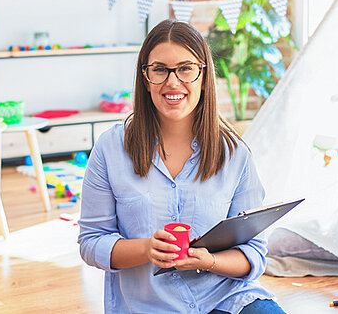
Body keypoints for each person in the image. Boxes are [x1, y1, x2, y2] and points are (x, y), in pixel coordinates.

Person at [78, 19, 285, 314]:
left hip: (227, 300)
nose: (172, 82)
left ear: (203, 75)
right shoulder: (110, 150)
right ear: (146, 78)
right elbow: (91, 242)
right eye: (160, 69)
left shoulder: (235, 153)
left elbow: (253, 253)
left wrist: (210, 261)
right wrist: (146, 249)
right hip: (149, 307)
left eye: (185, 68)